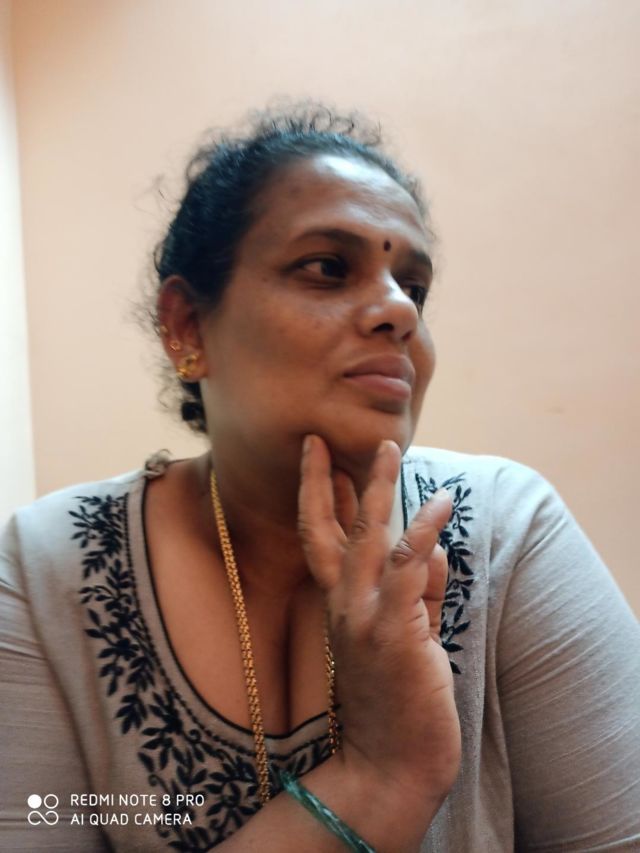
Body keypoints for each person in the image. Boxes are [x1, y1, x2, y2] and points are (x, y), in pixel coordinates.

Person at [1, 104, 638, 853]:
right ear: (187, 326)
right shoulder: (48, 565)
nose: (399, 310)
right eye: (328, 267)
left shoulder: (505, 529)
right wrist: (382, 776)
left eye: (414, 288)